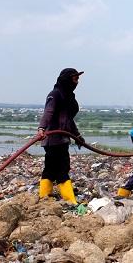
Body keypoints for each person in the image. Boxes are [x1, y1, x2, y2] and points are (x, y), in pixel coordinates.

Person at [36, 68, 86, 204]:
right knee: (60, 169)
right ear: (67, 79)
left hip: (63, 139)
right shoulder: (55, 94)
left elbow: (68, 120)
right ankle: (69, 200)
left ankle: (45, 198)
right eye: (75, 79)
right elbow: (48, 112)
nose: (77, 82)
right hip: (52, 139)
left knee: (52, 169)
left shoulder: (69, 96)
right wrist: (41, 128)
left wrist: (78, 136)